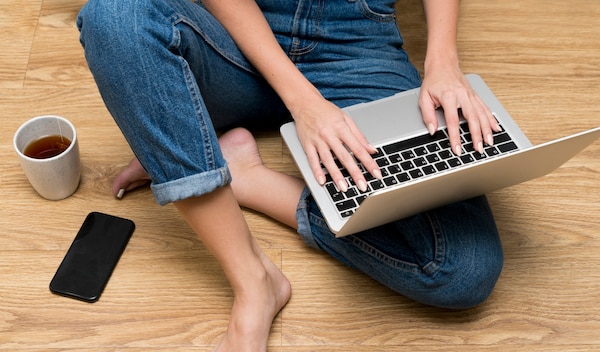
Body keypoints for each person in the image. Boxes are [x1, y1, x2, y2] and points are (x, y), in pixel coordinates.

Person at [77, 0, 504, 350]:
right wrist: (304, 103)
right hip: (239, 36)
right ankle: (255, 279)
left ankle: (243, 175)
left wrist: (443, 61)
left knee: (461, 268)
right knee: (115, 15)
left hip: (357, 45)